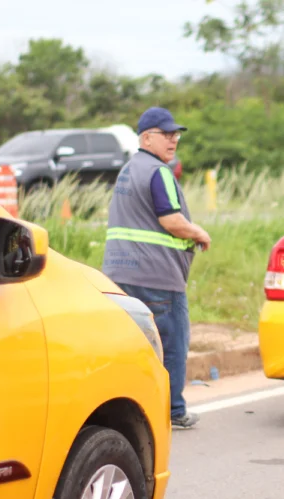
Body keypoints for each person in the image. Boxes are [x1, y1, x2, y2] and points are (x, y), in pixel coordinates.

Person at [102, 106, 212, 429]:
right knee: (171, 344)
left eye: (175, 134)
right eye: (166, 134)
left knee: (132, 346)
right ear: (146, 138)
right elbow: (171, 220)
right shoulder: (158, 172)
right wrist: (198, 232)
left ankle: (130, 409)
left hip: (119, 275)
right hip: (158, 278)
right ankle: (173, 410)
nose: (173, 140)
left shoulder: (127, 171)